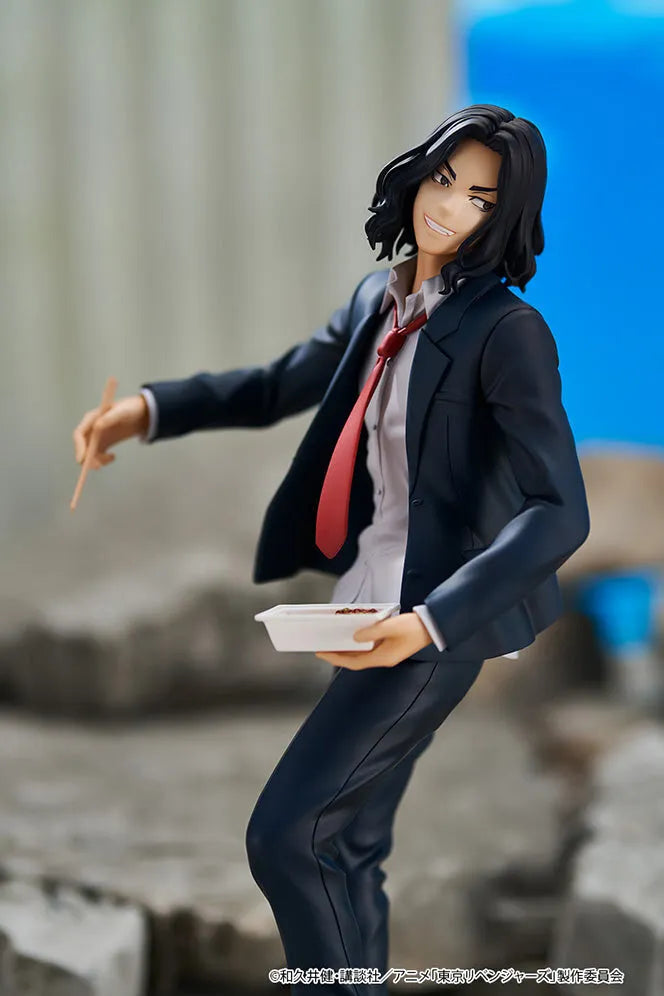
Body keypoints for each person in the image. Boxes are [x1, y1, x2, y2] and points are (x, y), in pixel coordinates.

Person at [73, 104, 590, 994]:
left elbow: (559, 510)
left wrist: (431, 623)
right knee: (347, 844)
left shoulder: (507, 333)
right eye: (442, 180)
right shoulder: (376, 301)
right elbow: (276, 385)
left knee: (287, 836)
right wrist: (147, 411)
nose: (449, 207)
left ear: (502, 216)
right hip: (363, 601)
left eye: (478, 198)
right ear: (415, 175)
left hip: (432, 625)